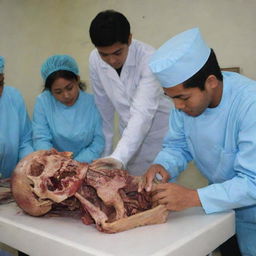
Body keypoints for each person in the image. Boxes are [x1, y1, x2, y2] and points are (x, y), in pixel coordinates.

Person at [139, 28, 256, 256]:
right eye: (171, 98)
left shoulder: (249, 105)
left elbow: (253, 182)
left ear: (210, 82)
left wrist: (194, 197)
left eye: (182, 97)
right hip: (223, 210)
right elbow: (177, 146)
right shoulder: (184, 105)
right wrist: (163, 165)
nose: (177, 107)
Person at [89, 10, 172, 175]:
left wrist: (119, 156)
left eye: (117, 52)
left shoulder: (150, 58)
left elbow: (142, 112)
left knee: (159, 192)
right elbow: (103, 110)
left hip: (158, 136)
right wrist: (107, 156)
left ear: (129, 39)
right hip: (127, 137)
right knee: (132, 194)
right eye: (104, 54)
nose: (112, 60)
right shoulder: (94, 59)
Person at [32, 54, 105, 163]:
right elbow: (41, 138)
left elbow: (99, 141)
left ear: (77, 80)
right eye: (58, 92)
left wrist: (76, 163)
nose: (66, 95)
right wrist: (55, 163)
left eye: (69, 88)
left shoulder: (93, 102)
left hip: (88, 163)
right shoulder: (44, 102)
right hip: (53, 166)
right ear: (49, 90)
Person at [0, 56, 33, 179]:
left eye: (1, 83)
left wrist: (28, 166)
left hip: (10, 179)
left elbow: (25, 141)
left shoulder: (13, 97)